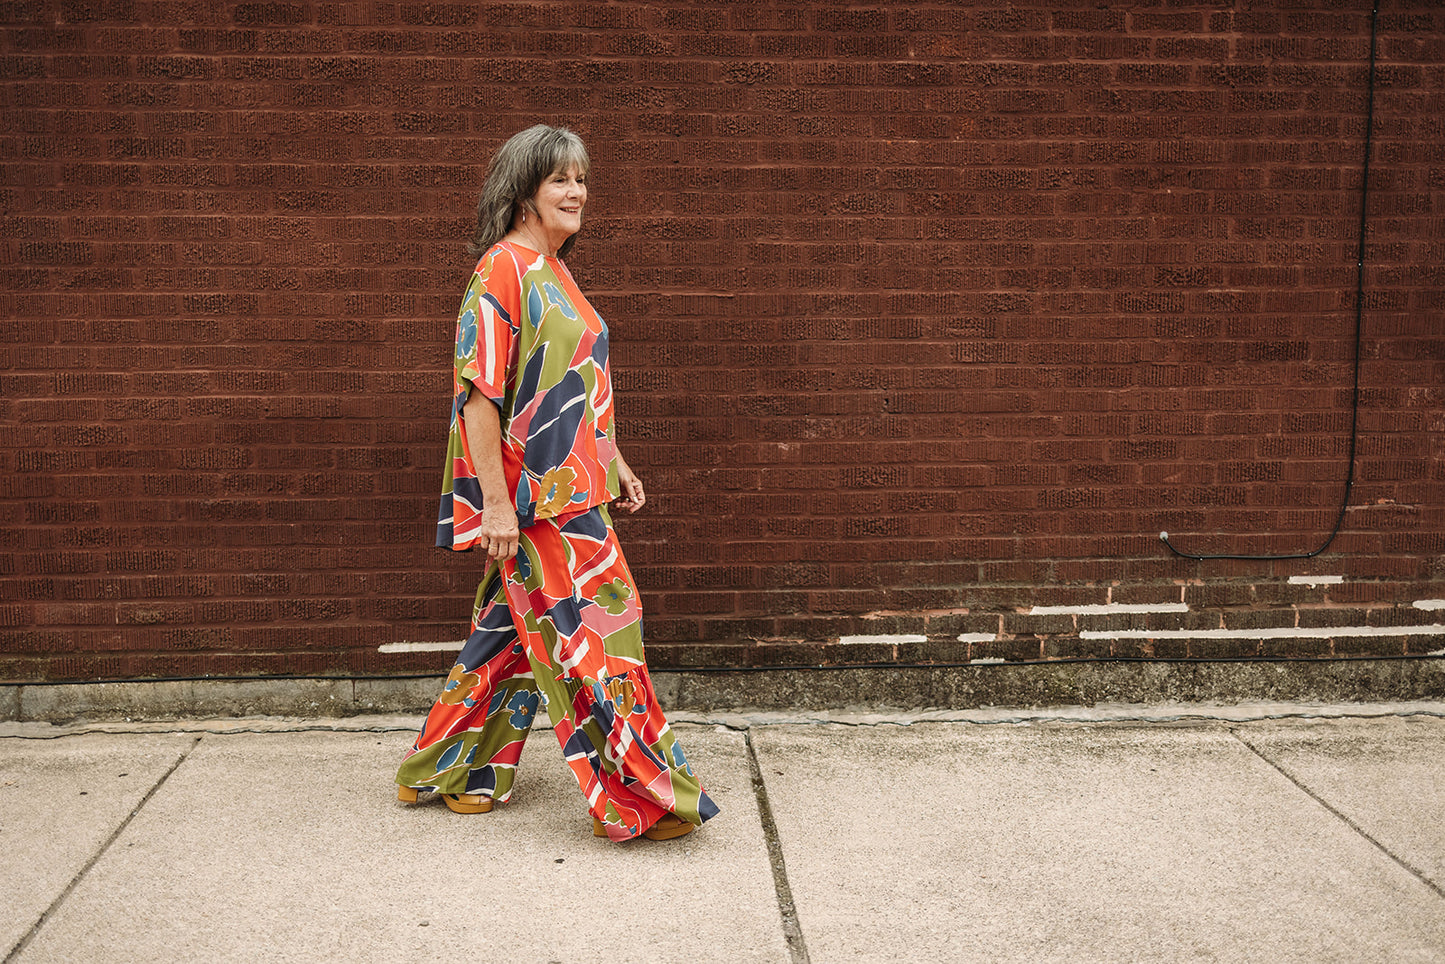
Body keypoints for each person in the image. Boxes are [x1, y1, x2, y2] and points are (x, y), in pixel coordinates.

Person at [394, 124, 718, 842]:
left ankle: (450, 770)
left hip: (576, 487)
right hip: (538, 502)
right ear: (524, 193)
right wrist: (496, 506)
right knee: (604, 635)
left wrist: (612, 456)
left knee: (506, 636)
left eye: (581, 179)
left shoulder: (554, 270)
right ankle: (639, 798)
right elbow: (479, 398)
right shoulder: (502, 270)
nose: (577, 193)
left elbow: (571, 381)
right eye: (560, 180)